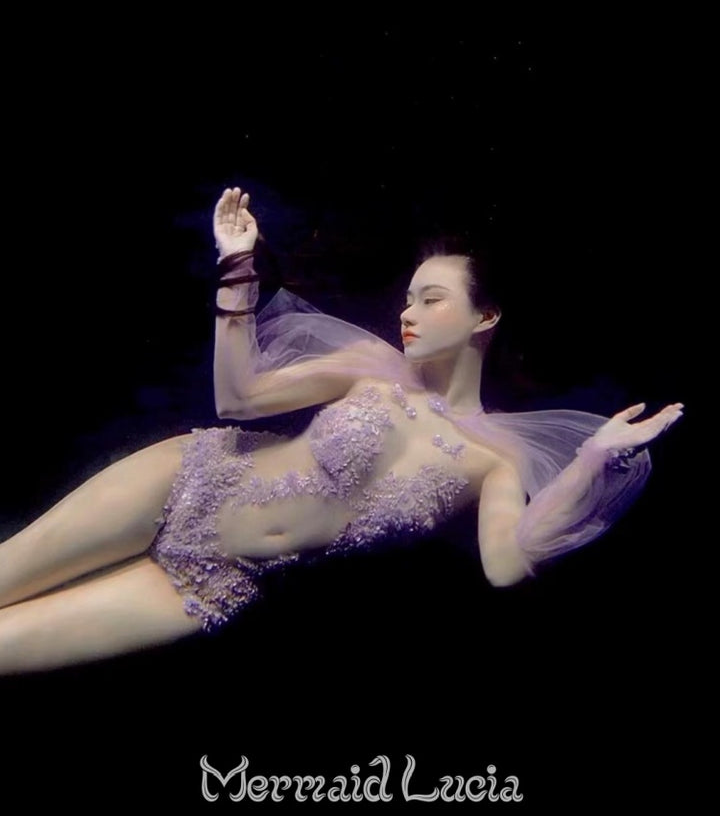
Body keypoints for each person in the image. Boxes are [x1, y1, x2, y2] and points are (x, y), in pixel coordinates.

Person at [0, 186, 683, 675]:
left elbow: (505, 569)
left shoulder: (492, 463)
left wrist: (593, 462)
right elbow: (236, 399)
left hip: (216, 582)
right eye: (408, 298)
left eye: (432, 299)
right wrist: (237, 266)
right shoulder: (372, 368)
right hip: (183, 481)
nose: (408, 313)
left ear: (485, 317)